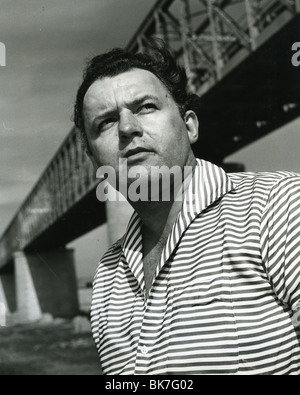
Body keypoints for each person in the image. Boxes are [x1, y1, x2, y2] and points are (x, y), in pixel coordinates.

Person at [74, 43, 300, 375]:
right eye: (106, 122)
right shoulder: (108, 274)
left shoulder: (277, 204)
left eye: (146, 106)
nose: (126, 128)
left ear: (190, 126)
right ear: (95, 161)